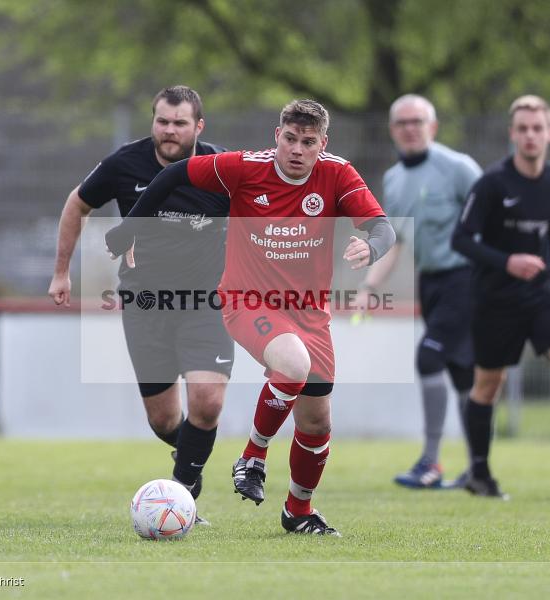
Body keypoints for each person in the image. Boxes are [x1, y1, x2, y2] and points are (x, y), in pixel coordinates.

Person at [106, 99, 396, 536]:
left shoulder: (337, 173)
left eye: (308, 142)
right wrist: (132, 226)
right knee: (293, 365)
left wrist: (370, 246)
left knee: (317, 422)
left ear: (322, 144)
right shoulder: (242, 167)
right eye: (290, 139)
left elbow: (383, 228)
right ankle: (253, 456)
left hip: (309, 312)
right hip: (247, 299)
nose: (297, 150)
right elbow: (172, 175)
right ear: (276, 135)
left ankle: (298, 511)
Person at [48, 86, 233, 522]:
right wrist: (61, 271)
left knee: (207, 402)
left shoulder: (222, 168)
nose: (169, 131)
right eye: (162, 121)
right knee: (163, 421)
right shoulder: (124, 163)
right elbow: (78, 203)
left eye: (180, 123)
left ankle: (183, 494)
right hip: (145, 302)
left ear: (198, 127)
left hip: (207, 302)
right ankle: (190, 462)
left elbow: (262, 214)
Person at [451, 94, 550, 499]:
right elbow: (460, 240)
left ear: (549, 134)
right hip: (496, 296)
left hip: (544, 293)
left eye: (538, 128)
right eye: (523, 129)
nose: (530, 135)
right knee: (488, 385)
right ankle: (480, 474)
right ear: (512, 135)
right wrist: (507, 262)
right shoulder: (491, 183)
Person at [358, 94, 481, 490]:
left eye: (418, 121)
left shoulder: (459, 168)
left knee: (429, 358)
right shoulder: (394, 179)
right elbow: (395, 241)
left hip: (466, 280)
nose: (410, 129)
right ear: (393, 130)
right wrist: (369, 286)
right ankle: (480, 466)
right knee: (463, 375)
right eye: (402, 123)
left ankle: (430, 462)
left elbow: (492, 222)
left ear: (433, 126)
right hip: (431, 283)